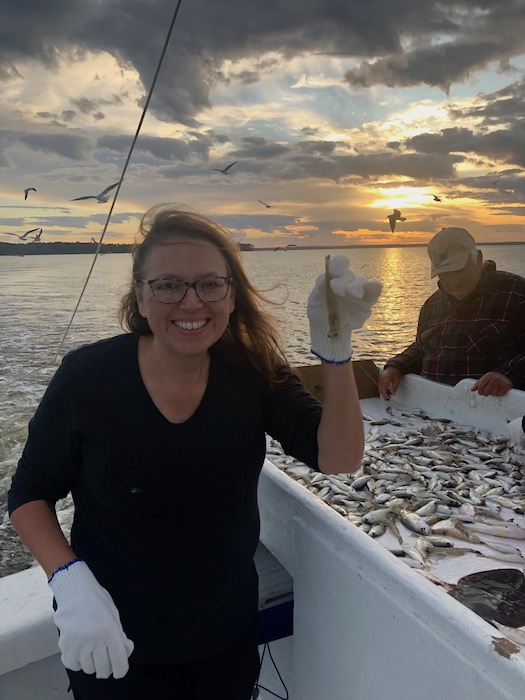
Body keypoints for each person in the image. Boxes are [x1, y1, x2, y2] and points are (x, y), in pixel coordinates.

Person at [7, 204, 382, 700]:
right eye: (167, 285)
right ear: (140, 297)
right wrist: (72, 584)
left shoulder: (252, 370)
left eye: (209, 284)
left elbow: (337, 457)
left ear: (231, 295)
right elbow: (29, 494)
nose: (190, 303)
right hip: (111, 637)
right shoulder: (87, 379)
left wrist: (336, 355)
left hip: (224, 641)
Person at [378, 227, 525, 400]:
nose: (454, 280)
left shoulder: (517, 292)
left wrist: (509, 374)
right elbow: (422, 347)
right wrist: (397, 366)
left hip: (497, 414)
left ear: (478, 258)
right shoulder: (431, 305)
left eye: (460, 269)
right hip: (434, 410)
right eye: (445, 274)